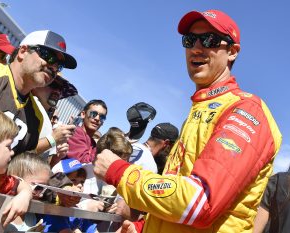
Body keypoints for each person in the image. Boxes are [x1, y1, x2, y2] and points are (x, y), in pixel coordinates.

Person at [94, 9, 282, 233]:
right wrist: (143, 227)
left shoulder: (246, 110)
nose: (196, 47)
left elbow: (199, 202)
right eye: (190, 40)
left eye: (209, 40)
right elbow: (176, 196)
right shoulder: (199, 111)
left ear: (232, 52)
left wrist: (119, 171)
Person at [32, 73, 78, 164]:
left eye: (61, 89)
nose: (58, 91)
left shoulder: (44, 115)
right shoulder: (26, 107)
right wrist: (52, 139)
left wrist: (57, 157)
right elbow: (18, 150)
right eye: (53, 84)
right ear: (36, 84)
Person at [4, 151, 51, 232]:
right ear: (15, 180)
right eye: (38, 187)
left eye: (46, 189)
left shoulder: (31, 213)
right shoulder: (0, 210)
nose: (41, 195)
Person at [67, 99, 108, 163]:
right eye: (93, 114)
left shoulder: (93, 143)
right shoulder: (75, 132)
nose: (97, 118)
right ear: (83, 114)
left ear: (102, 122)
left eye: (102, 117)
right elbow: (84, 162)